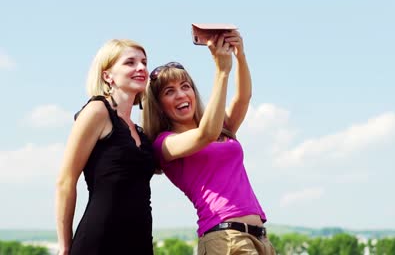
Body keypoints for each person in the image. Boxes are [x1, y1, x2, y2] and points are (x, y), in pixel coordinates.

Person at [143, 31, 275, 254]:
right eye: (169, 91)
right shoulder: (165, 143)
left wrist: (239, 55)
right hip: (225, 238)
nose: (181, 95)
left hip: (260, 237)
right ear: (159, 105)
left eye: (185, 86)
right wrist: (221, 71)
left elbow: (243, 98)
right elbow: (205, 134)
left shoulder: (220, 126)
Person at [55, 39, 156, 255]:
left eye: (144, 62)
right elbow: (65, 181)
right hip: (99, 241)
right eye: (130, 62)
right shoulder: (97, 111)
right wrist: (64, 246)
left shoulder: (141, 131)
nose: (141, 68)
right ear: (107, 75)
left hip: (140, 242)